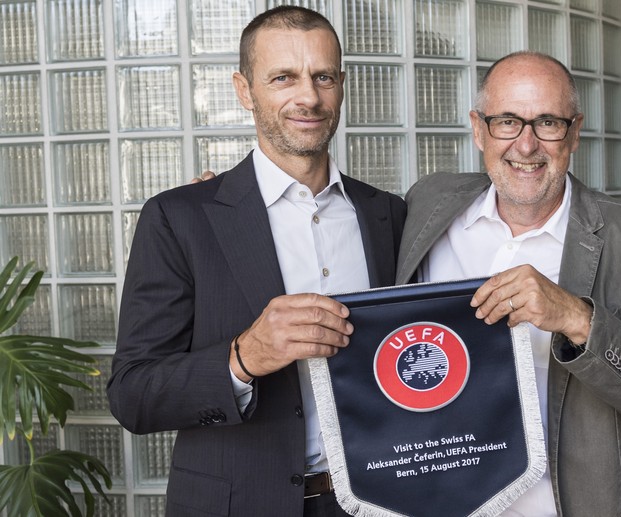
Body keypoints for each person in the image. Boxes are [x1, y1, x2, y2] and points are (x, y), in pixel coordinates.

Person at [106, 6, 405, 516]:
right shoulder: (180, 218)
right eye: (283, 77)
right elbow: (133, 395)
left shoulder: (389, 215)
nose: (308, 97)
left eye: (323, 77)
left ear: (341, 85)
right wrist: (243, 358)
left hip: (376, 503)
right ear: (244, 90)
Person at [394, 51, 621, 516]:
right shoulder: (429, 203)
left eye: (547, 123)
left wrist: (577, 318)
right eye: (507, 122)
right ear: (478, 129)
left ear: (574, 132)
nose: (526, 145)